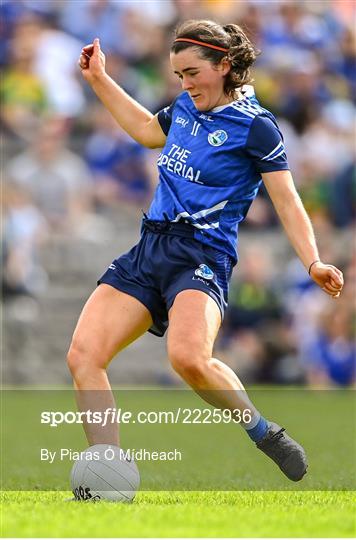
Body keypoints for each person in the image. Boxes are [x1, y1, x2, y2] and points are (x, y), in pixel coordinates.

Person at [69, 20, 344, 482]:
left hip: (202, 256)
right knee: (83, 356)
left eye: (193, 73)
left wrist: (312, 261)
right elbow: (143, 128)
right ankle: (108, 469)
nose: (186, 83)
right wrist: (99, 78)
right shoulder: (184, 107)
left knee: (189, 359)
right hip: (150, 247)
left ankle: (265, 433)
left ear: (225, 65)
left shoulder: (257, 127)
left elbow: (287, 199)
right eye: (179, 76)